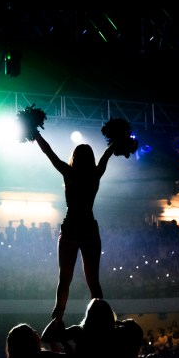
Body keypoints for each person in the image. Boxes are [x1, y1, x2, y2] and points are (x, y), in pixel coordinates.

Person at [33, 131, 117, 320]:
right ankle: (101, 319)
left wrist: (35, 133)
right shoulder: (95, 174)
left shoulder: (68, 173)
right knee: (93, 280)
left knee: (65, 279)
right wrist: (116, 141)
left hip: (71, 227)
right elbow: (106, 156)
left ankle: (57, 318)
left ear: (74, 158)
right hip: (88, 228)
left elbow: (49, 152)